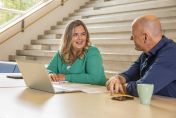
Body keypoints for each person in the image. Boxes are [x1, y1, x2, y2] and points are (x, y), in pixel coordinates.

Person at [106, 15, 176, 97]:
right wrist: (116, 78)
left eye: (133, 35)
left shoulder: (172, 53)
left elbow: (142, 88)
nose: (131, 38)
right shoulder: (146, 54)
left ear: (145, 37)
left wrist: (119, 86)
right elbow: (128, 75)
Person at [47, 20, 106, 86]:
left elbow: (94, 78)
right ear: (68, 37)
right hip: (70, 92)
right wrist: (50, 74)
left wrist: (65, 77)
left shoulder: (92, 51)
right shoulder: (61, 52)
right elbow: (49, 69)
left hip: (96, 93)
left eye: (83, 34)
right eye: (75, 35)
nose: (80, 38)